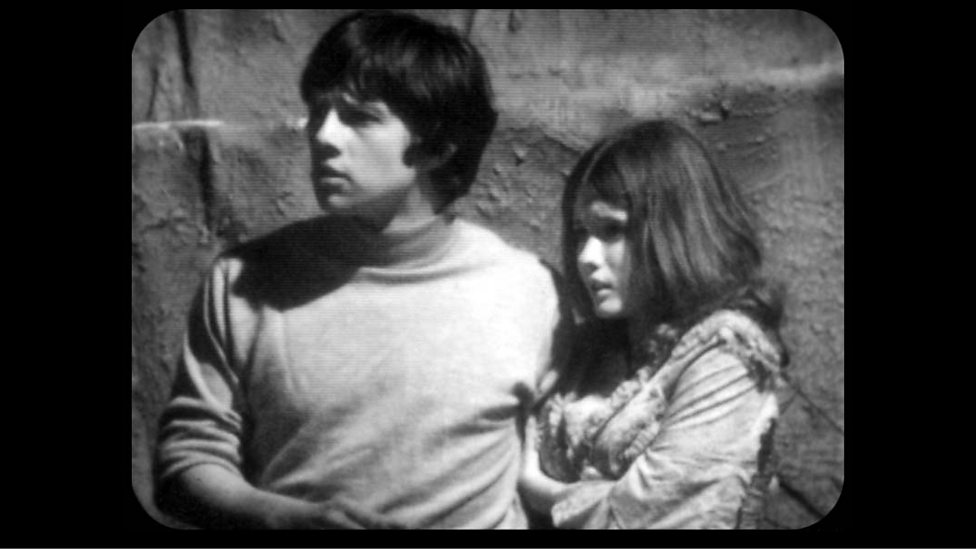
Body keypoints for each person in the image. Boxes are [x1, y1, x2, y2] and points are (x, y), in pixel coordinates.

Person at [154, 10, 569, 529]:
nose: (323, 135)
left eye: (359, 117)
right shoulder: (243, 283)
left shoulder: (531, 292)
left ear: (439, 145)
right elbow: (185, 462)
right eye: (318, 112)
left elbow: (570, 470)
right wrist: (283, 518)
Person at [518, 120, 788, 529]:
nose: (586, 256)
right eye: (580, 233)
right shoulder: (590, 346)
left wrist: (541, 491)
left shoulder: (729, 356)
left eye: (612, 230)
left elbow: (658, 516)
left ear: (675, 229)